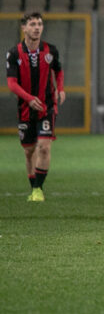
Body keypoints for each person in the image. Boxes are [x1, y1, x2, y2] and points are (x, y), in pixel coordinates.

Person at [6, 12, 66, 202]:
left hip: (46, 106)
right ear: (24, 28)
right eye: (32, 24)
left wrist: (61, 89)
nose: (37, 27)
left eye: (39, 24)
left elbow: (58, 71)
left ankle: (38, 189)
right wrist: (29, 98)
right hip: (25, 108)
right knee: (29, 150)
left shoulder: (50, 50)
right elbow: (12, 83)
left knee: (44, 147)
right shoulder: (14, 53)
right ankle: (33, 187)